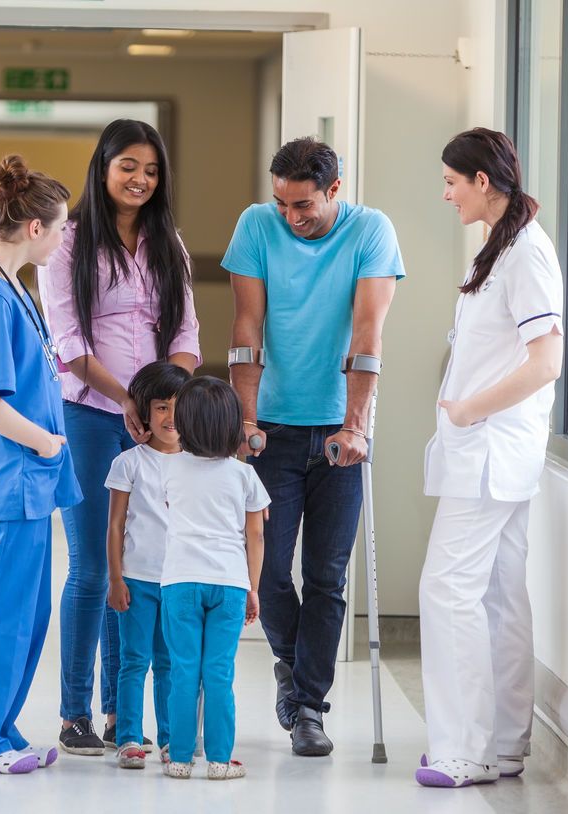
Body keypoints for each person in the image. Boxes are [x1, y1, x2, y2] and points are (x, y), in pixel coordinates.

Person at [223, 137, 404, 756]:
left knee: (325, 576)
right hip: (271, 427)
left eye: (302, 205)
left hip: (338, 435)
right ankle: (291, 664)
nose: (290, 217)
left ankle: (307, 706)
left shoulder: (371, 230)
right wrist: (245, 419)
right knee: (268, 570)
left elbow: (367, 329)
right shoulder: (256, 224)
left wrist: (355, 425)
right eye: (281, 204)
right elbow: (247, 328)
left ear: (334, 191)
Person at [38, 119, 201, 755]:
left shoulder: (169, 244)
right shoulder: (69, 243)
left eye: (152, 170)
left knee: (134, 566)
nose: (140, 179)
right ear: (103, 168)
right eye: (128, 165)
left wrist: (166, 403)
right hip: (88, 414)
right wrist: (126, 399)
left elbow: (186, 334)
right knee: (90, 566)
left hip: (156, 424)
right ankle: (75, 710)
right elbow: (69, 345)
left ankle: (120, 711)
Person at [414, 128, 563, 789]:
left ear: (482, 181)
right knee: (500, 596)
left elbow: (546, 361)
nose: (445, 194)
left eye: (451, 182)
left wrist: (472, 409)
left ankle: (463, 748)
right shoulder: (500, 245)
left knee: (447, 591)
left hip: (491, 451)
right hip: (494, 454)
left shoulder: (527, 253)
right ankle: (501, 742)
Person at [0, 155, 81, 774]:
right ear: (33, 228)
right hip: (9, 480)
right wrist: (45, 442)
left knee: (28, 613)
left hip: (30, 483)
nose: (62, 238)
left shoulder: (13, 287)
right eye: (59, 228)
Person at [158, 376, 268, 780]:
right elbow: (255, 535)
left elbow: (170, 506)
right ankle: (220, 760)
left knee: (184, 670)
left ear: (182, 425)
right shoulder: (244, 476)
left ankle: (181, 759)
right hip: (229, 583)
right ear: (233, 427)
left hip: (180, 581)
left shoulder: (169, 468)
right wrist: (252, 586)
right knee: (219, 672)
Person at [105, 361, 192, 769]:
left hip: (179, 581)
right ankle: (128, 738)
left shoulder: (200, 464)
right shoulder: (129, 463)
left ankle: (173, 739)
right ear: (143, 411)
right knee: (134, 660)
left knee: (171, 664)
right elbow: (116, 525)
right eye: (160, 407)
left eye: (177, 407)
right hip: (137, 580)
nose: (169, 417)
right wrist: (116, 578)